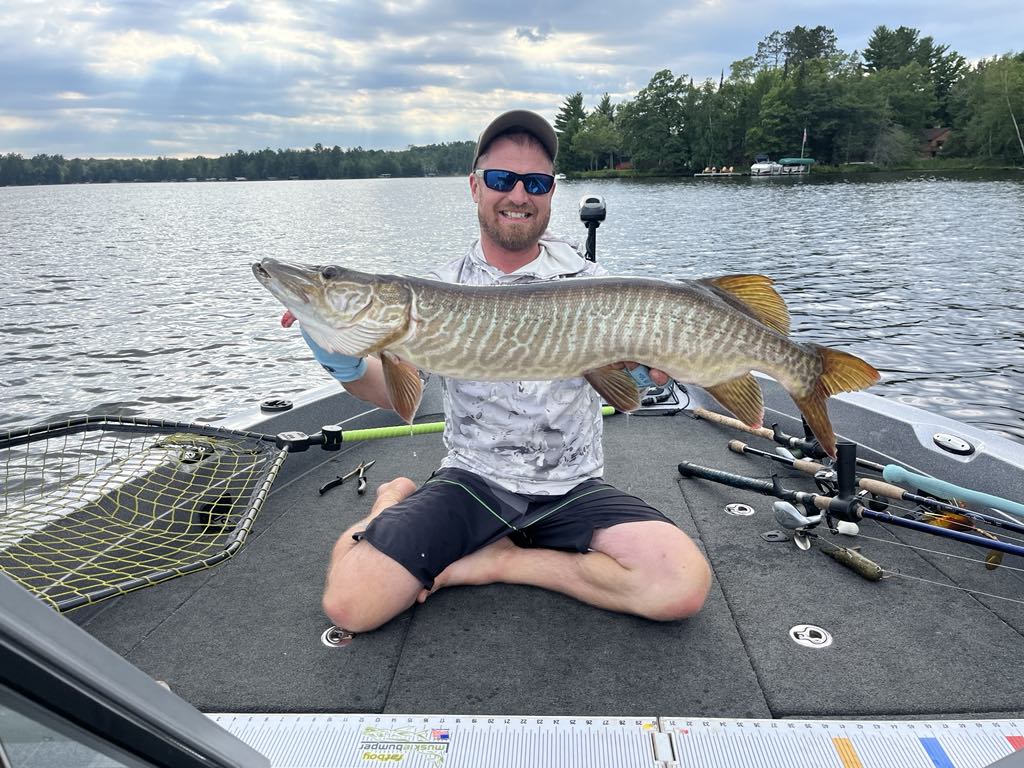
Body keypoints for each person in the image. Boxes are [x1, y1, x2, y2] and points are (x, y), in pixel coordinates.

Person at [300, 110, 712, 632]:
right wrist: (341, 357)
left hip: (573, 486)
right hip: (474, 482)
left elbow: (626, 386)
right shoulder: (436, 289)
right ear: (475, 187)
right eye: (501, 179)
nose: (518, 195)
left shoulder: (591, 281)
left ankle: (502, 560)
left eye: (534, 183)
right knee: (350, 605)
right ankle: (392, 498)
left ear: (550, 192)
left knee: (680, 585)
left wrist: (651, 369)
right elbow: (396, 397)